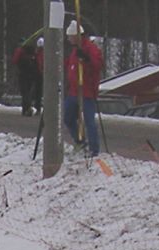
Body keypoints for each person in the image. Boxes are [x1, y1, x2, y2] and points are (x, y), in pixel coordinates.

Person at [63, 21, 104, 156]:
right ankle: (80, 141)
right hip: (74, 91)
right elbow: (69, 64)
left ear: (76, 36)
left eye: (70, 36)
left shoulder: (91, 49)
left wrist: (86, 59)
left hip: (87, 91)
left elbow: (98, 65)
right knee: (68, 117)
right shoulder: (75, 51)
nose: (68, 39)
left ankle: (94, 149)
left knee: (88, 121)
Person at [11, 38, 42, 117]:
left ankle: (27, 108)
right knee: (28, 91)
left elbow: (14, 60)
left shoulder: (20, 50)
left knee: (24, 92)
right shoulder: (32, 51)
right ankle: (26, 109)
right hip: (32, 74)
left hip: (23, 73)